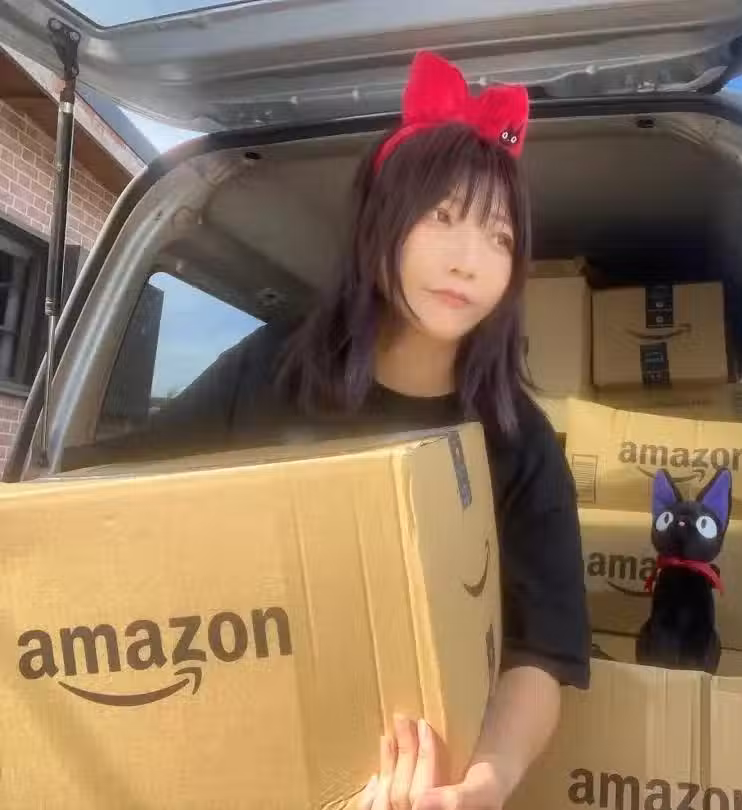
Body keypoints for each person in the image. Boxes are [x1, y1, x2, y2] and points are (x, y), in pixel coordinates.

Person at [77, 51, 589, 810]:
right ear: (381, 226)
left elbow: (544, 653)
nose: (469, 262)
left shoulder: (522, 443)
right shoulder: (273, 371)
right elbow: (123, 495)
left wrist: (488, 781)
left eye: (499, 237)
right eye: (443, 218)